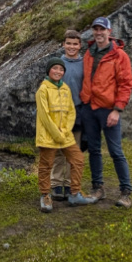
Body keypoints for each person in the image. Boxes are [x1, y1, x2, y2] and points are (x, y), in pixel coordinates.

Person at [79, 17, 132, 207]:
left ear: (109, 32)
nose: (98, 33)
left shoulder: (120, 56)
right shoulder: (89, 52)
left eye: (102, 29)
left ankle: (126, 192)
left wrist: (117, 110)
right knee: (94, 150)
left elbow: (126, 85)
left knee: (115, 151)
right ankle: (98, 189)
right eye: (95, 29)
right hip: (89, 108)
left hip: (108, 111)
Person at [36, 56, 97, 212]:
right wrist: (57, 134)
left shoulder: (66, 89)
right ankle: (45, 196)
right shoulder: (43, 89)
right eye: (55, 68)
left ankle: (74, 193)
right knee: (46, 166)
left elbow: (71, 111)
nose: (58, 71)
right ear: (49, 70)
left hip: (65, 135)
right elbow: (44, 116)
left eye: (61, 69)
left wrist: (66, 130)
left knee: (78, 159)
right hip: (49, 136)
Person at [50, 30, 88, 202]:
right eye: (68, 43)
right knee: (58, 151)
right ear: (63, 44)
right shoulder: (58, 63)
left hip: (78, 112)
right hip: (59, 113)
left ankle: (70, 185)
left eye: (75, 44)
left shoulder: (85, 64)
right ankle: (56, 184)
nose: (71, 47)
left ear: (80, 45)